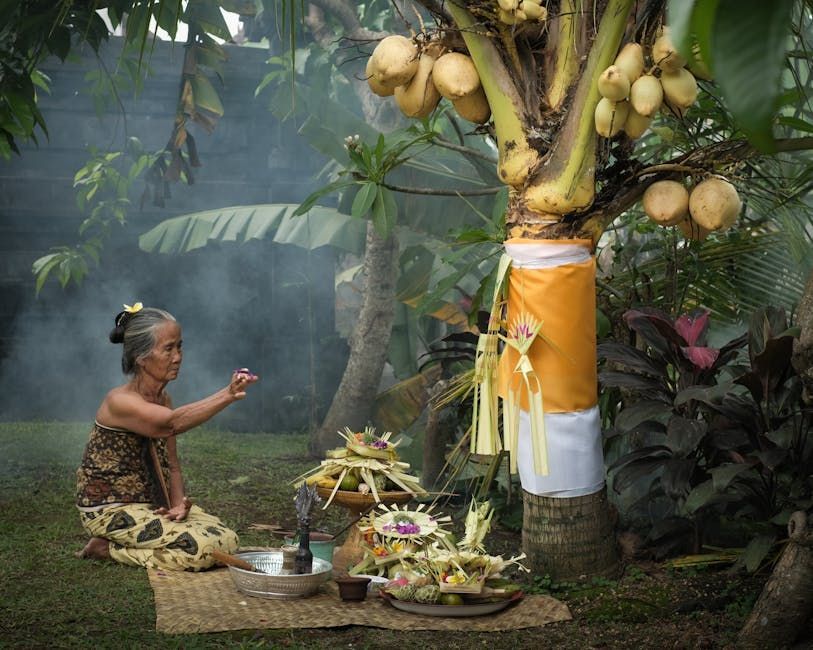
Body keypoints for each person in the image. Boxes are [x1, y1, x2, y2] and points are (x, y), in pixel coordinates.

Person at [75, 302, 258, 571]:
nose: (178, 356)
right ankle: (108, 549)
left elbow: (171, 464)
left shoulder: (163, 398)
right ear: (141, 357)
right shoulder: (119, 401)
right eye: (168, 348)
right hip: (110, 509)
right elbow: (170, 425)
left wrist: (178, 506)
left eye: (180, 346)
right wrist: (227, 394)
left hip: (150, 506)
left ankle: (127, 543)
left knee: (227, 540)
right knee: (200, 551)